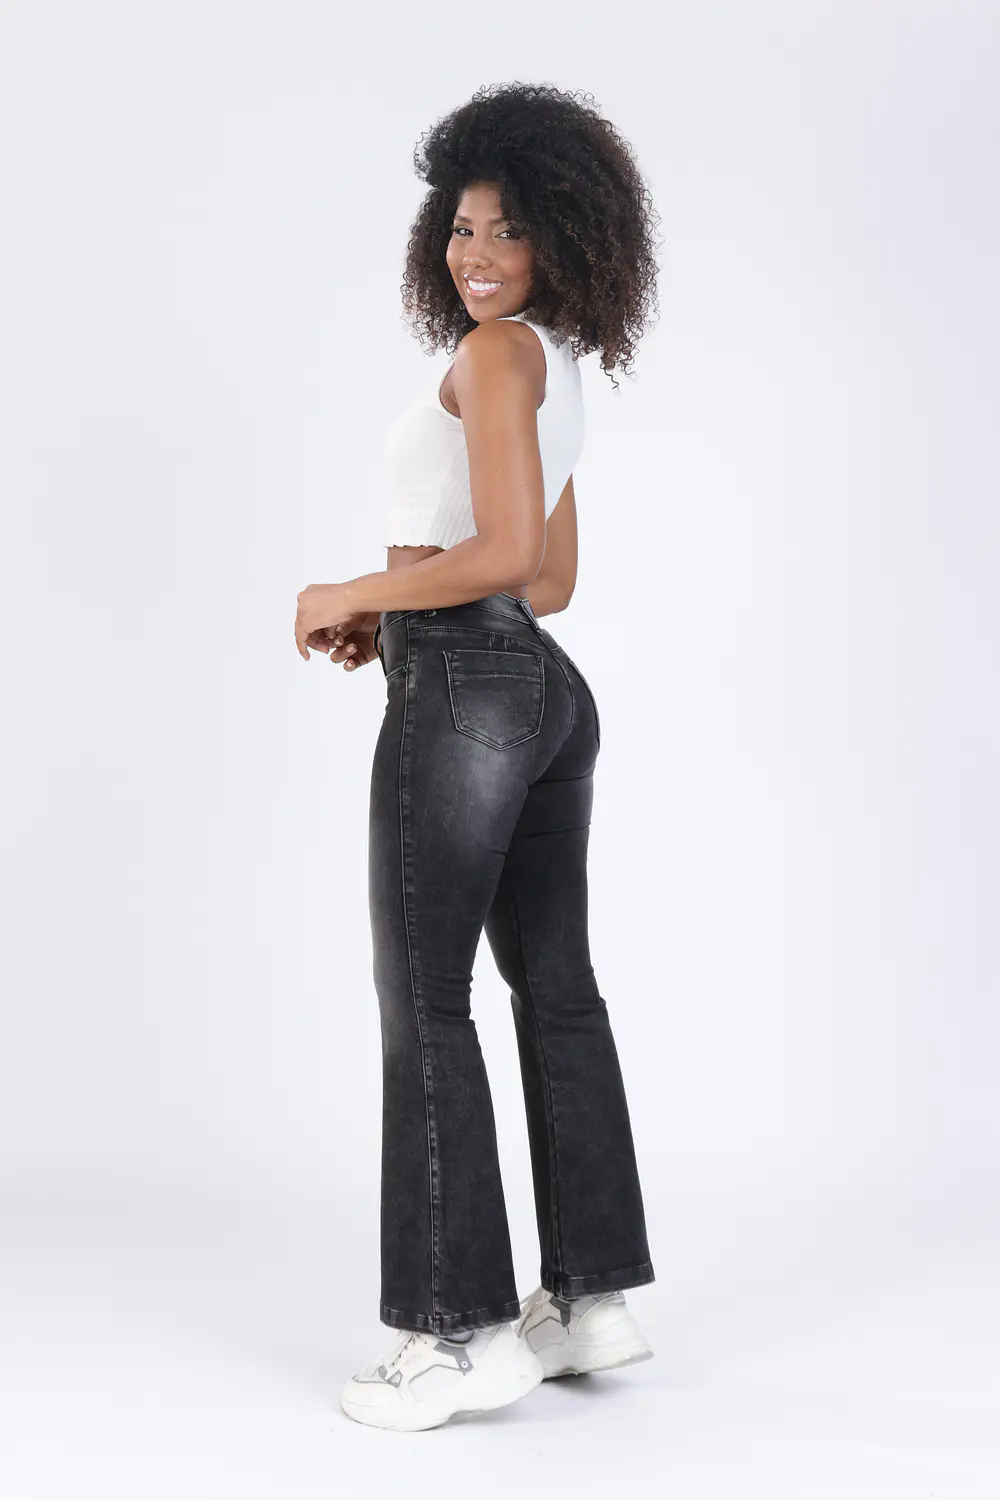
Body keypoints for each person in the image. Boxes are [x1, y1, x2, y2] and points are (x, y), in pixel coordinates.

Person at [294, 82, 660, 1433]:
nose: (477, 252)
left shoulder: (499, 355)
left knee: (426, 997)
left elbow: (505, 557)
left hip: (463, 686)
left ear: (565, 234)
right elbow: (546, 581)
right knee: (555, 989)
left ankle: (454, 1338)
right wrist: (395, 613)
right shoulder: (555, 363)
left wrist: (353, 593)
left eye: (508, 228)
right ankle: (590, 1301)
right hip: (538, 689)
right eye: (461, 227)